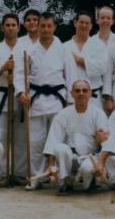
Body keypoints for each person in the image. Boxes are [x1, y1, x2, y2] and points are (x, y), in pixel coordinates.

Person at [15, 12, 77, 189]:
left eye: (49, 26)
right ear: (38, 27)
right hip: (36, 100)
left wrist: (70, 101)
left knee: (59, 142)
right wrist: (21, 92)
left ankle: (62, 177)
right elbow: (20, 74)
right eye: (43, 26)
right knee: (36, 141)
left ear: (54, 27)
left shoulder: (64, 49)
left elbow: (71, 77)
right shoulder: (29, 50)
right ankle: (36, 177)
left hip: (57, 100)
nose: (46, 29)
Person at [43, 80, 114, 195]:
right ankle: (65, 182)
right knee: (60, 147)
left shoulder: (98, 113)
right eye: (77, 91)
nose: (81, 93)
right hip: (70, 158)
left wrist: (101, 163)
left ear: (90, 93)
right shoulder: (63, 114)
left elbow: (106, 140)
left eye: (84, 90)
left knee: (87, 169)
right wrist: (51, 165)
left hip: (90, 157)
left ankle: (90, 182)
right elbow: (53, 139)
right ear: (72, 94)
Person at [0, 13, 27, 186]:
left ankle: (20, 173)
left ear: (18, 27)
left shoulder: (25, 48)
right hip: (1, 95)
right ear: (2, 27)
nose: (10, 28)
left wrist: (17, 80)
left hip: (19, 96)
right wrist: (3, 68)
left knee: (21, 137)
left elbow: (31, 72)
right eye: (7, 25)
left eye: (13, 25)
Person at [64, 11, 108, 107]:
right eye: (81, 22)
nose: (84, 25)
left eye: (87, 23)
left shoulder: (99, 45)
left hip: (93, 97)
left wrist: (80, 60)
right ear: (75, 23)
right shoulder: (65, 46)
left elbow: (102, 68)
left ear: (91, 26)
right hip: (71, 97)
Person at [92, 6, 115, 115]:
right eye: (102, 17)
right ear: (97, 20)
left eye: (108, 18)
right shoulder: (90, 41)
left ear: (113, 21)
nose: (105, 20)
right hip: (96, 89)